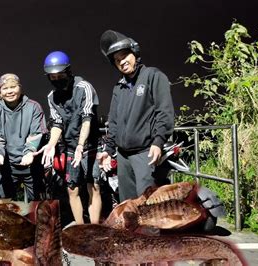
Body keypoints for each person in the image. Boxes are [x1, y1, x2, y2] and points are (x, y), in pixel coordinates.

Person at [97, 30, 175, 202]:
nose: (122, 62)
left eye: (125, 56)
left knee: (147, 203)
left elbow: (165, 112)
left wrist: (158, 142)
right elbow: (114, 121)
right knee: (128, 205)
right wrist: (108, 150)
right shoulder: (119, 87)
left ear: (135, 53)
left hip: (145, 153)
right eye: (117, 61)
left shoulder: (153, 76)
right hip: (123, 156)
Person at [40, 51, 102, 224]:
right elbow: (57, 123)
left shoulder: (84, 87)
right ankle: (80, 228)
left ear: (68, 72)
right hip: (69, 147)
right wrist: (51, 145)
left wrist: (81, 145)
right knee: (72, 188)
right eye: (53, 77)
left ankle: (94, 228)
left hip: (90, 144)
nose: (57, 79)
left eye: (60, 75)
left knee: (94, 185)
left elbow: (87, 118)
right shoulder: (52, 97)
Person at [0, 73, 47, 202]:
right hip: (7, 165)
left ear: (20, 88)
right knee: (5, 206)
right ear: (0, 92)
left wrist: (29, 151)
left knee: (39, 208)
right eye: (5, 88)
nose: (10, 91)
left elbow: (36, 133)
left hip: (32, 165)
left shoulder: (33, 107)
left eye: (13, 87)